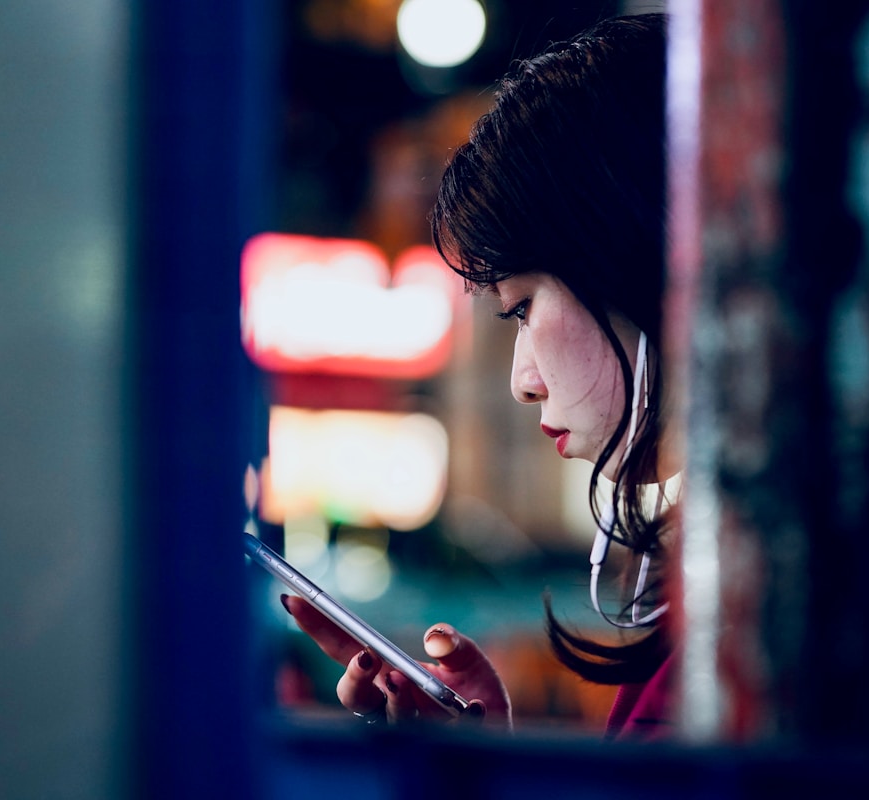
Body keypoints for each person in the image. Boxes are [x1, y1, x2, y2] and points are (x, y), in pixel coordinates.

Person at [282, 13, 680, 740]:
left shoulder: (765, 603)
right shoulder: (703, 592)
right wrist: (485, 755)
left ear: (625, 252)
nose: (522, 382)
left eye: (523, 307)